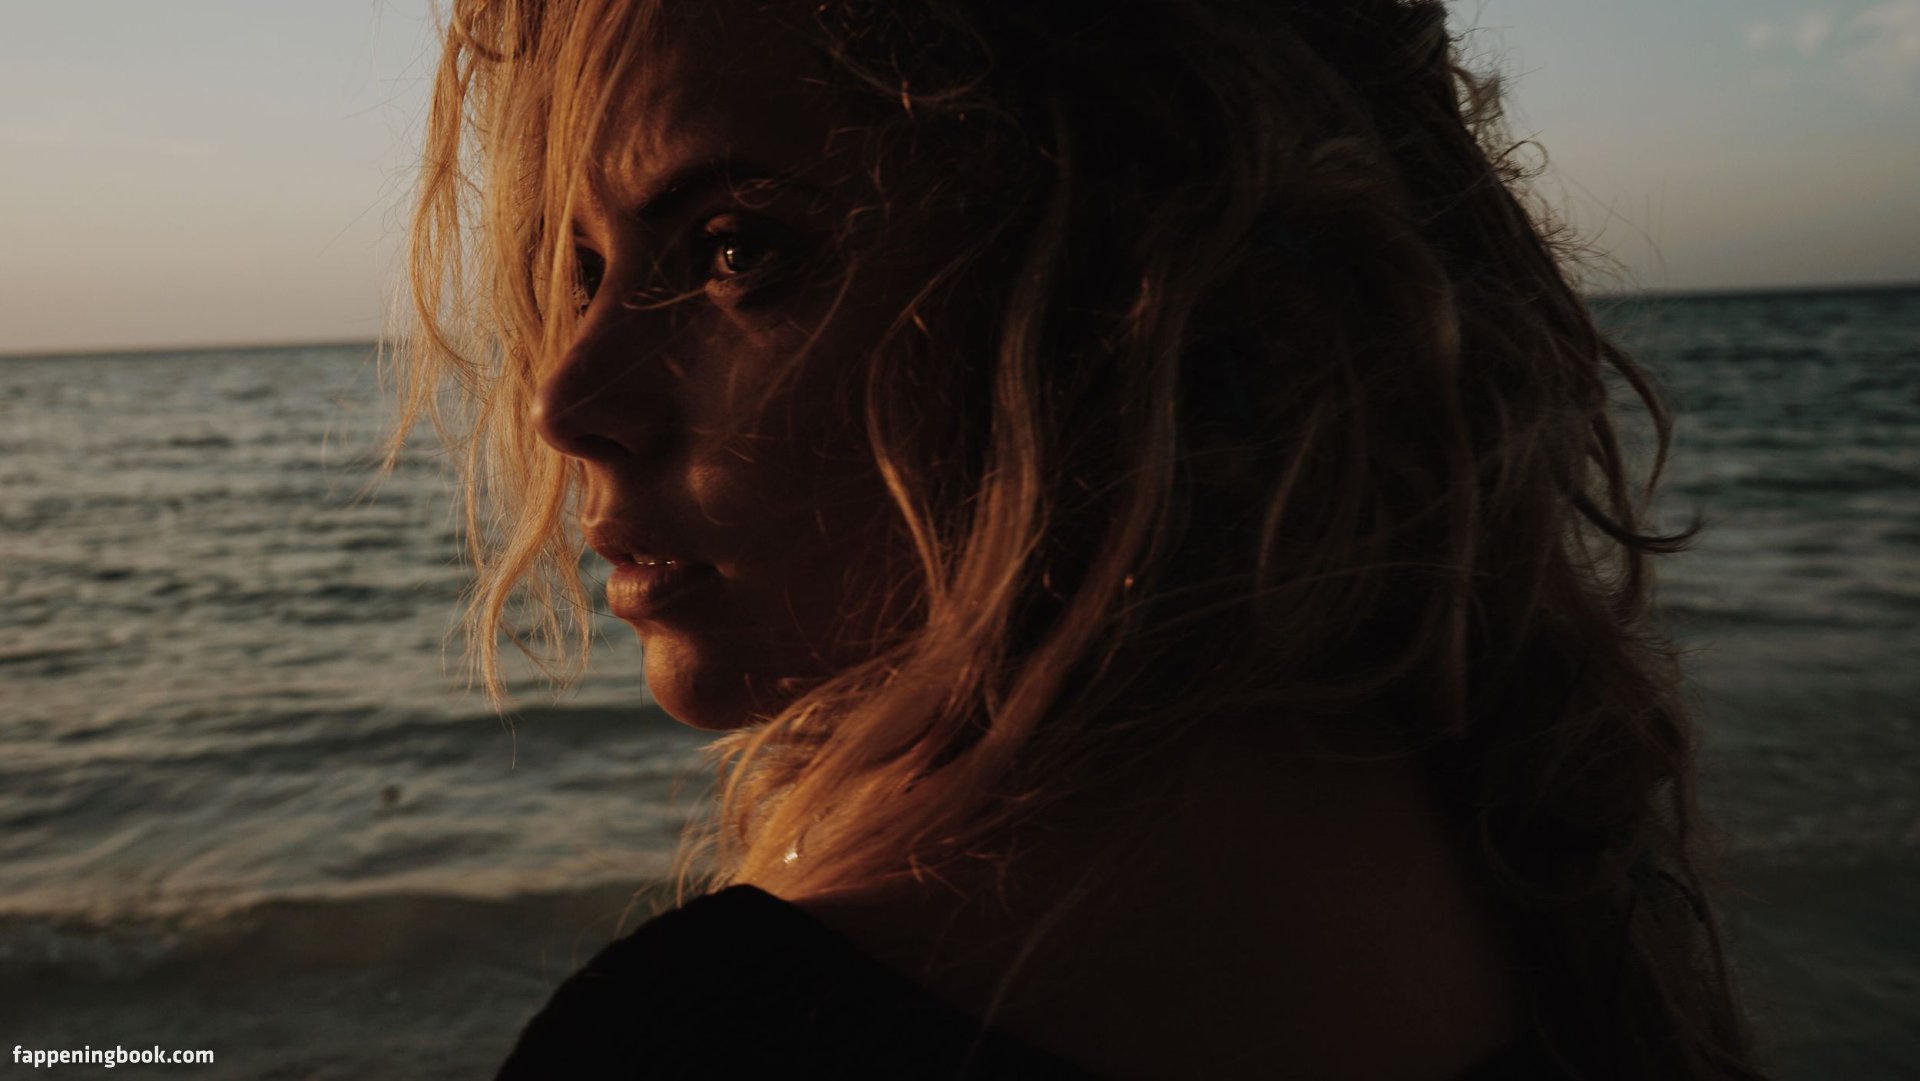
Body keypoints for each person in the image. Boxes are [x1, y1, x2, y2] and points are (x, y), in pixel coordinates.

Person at [394, 0, 1771, 1076]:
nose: (566, 398)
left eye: (736, 248)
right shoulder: (1534, 898)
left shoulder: (723, 1043)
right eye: (583, 270)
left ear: (1134, 277)